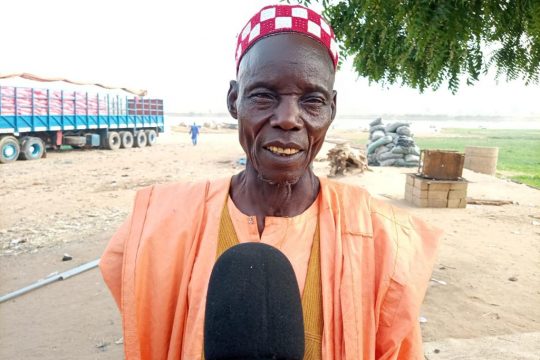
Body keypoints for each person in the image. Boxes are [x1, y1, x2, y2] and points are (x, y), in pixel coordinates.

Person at [100, 4, 440, 359]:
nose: (288, 119)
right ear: (235, 100)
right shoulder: (159, 223)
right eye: (264, 95)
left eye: (312, 100)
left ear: (331, 109)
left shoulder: (381, 237)